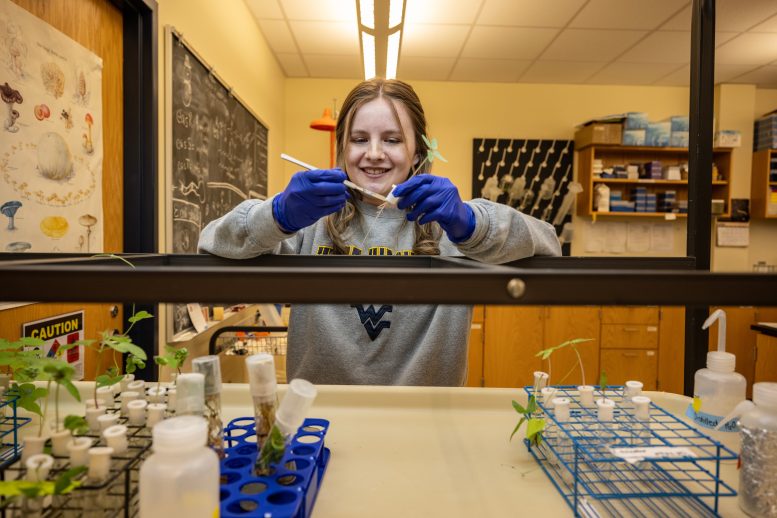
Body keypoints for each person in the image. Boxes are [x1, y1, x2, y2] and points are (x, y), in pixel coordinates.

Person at [199, 78, 560, 386]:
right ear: (343, 146)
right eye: (359, 139)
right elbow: (211, 243)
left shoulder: (451, 224)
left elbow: (548, 244)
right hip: (321, 424)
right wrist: (276, 214)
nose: (373, 154)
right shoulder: (308, 220)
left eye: (391, 139)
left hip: (428, 426)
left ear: (417, 150)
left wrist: (471, 221)